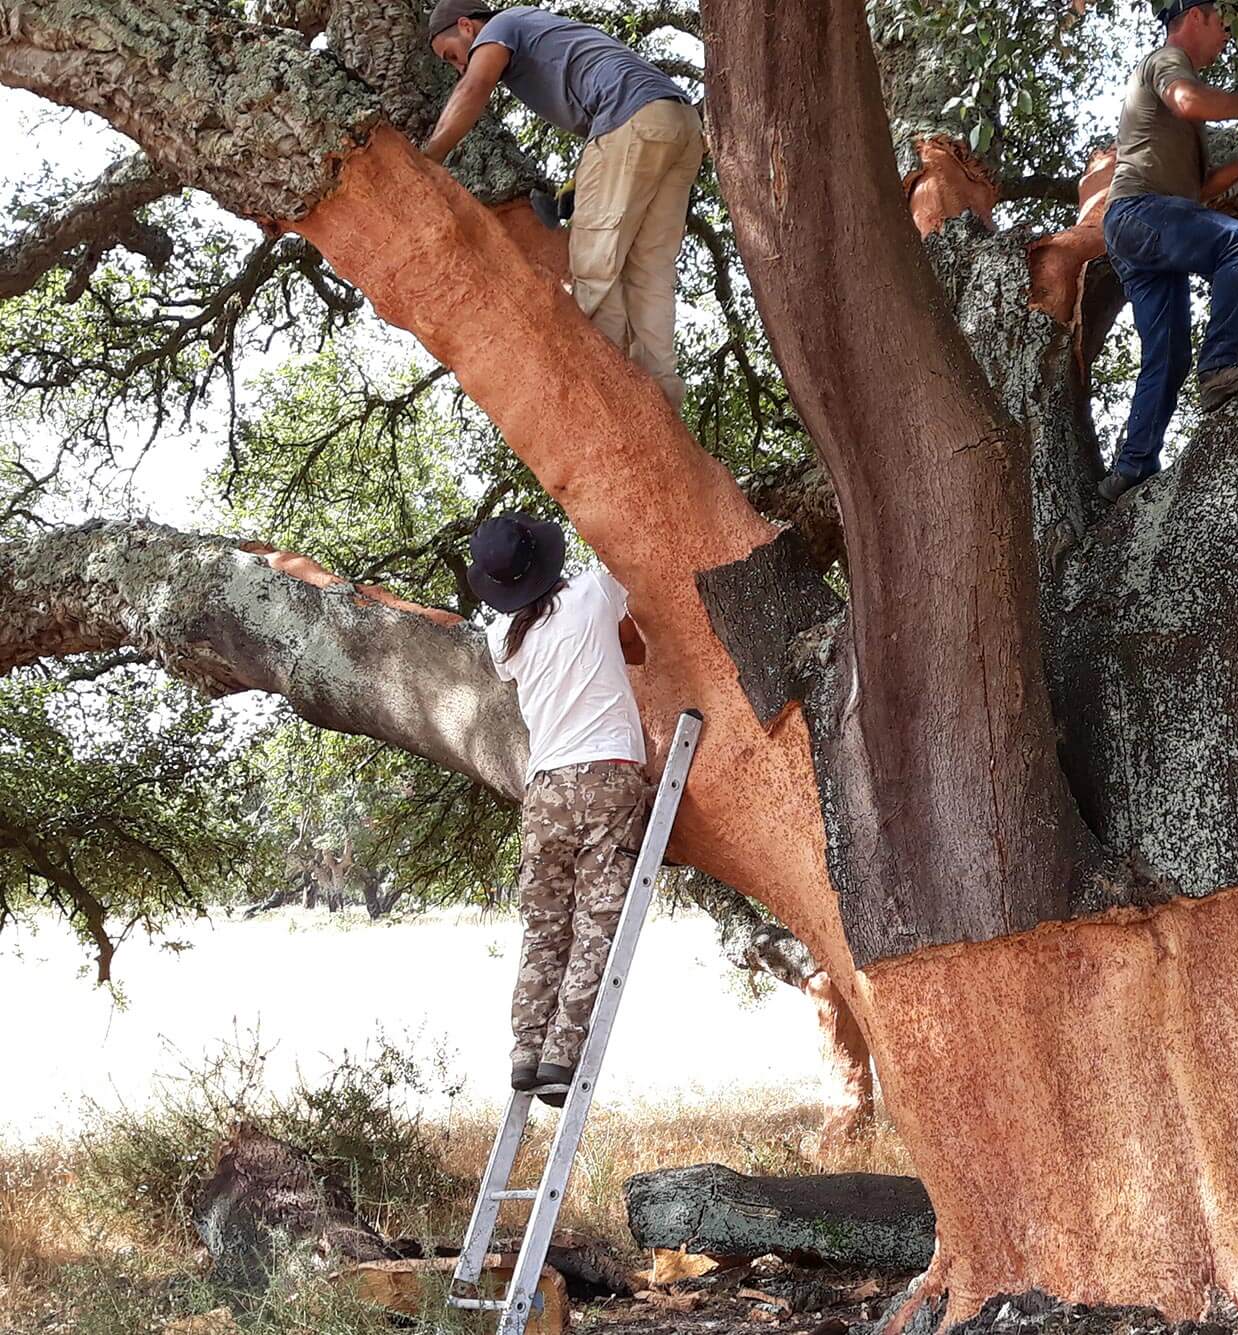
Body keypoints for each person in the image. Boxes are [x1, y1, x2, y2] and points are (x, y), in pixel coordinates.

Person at [424, 1, 703, 410]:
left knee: (593, 266)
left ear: (467, 27)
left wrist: (427, 159)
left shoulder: (501, 25)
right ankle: (659, 401)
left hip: (630, 119)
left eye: (452, 55)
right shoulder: (538, 27)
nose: (458, 68)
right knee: (650, 271)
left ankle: (606, 394)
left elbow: (473, 88)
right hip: (679, 123)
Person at [469, 513, 650, 1106]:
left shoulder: (502, 640)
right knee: (598, 922)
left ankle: (527, 1050)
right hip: (608, 775)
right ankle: (561, 1055)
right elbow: (634, 619)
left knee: (544, 926)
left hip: (544, 789)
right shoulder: (593, 593)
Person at [1098, 0, 1238, 501]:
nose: (1227, 36)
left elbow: (1197, 192)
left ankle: (1132, 468)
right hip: (1138, 214)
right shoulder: (1167, 63)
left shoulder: (1181, 117)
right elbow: (1190, 101)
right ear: (1195, 16)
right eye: (1223, 24)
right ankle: (1218, 368)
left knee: (1167, 357)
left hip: (1140, 230)